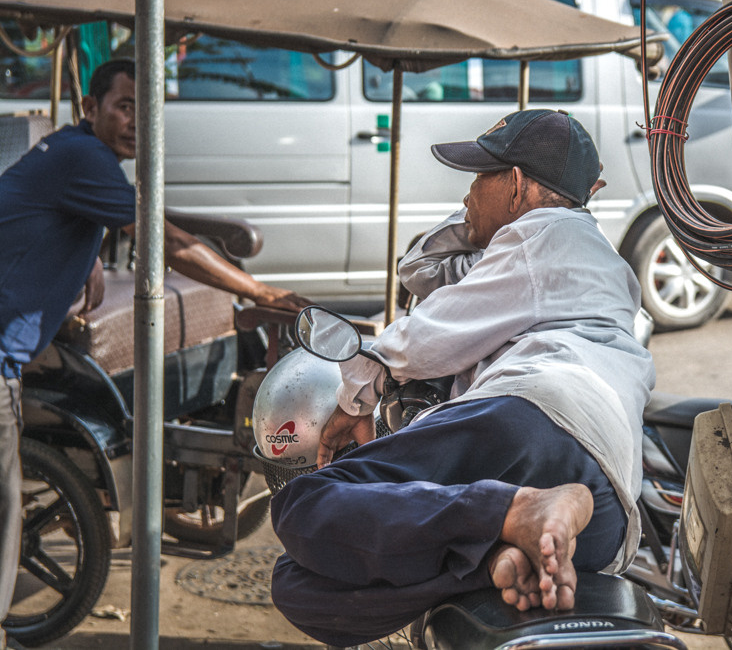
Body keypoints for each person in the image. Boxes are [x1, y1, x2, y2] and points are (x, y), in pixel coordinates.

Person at [269, 108, 656, 647]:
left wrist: (356, 397)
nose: (469, 193)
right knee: (302, 585)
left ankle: (516, 507)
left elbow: (425, 337)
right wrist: (482, 214)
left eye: (479, 178)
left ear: (516, 185)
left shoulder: (542, 236)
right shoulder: (591, 258)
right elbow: (423, 270)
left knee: (302, 507)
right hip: (605, 511)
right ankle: (503, 547)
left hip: (532, 420)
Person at [0, 58, 307, 649]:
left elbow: (77, 213)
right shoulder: (83, 158)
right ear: (90, 109)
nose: (136, 123)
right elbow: (168, 241)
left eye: (146, 111)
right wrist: (261, 292)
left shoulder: (76, 156)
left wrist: (84, 250)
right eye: (123, 108)